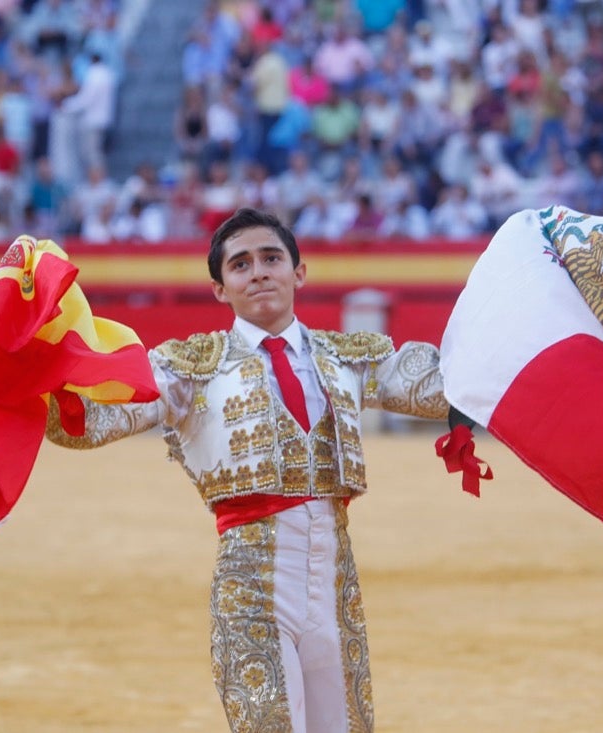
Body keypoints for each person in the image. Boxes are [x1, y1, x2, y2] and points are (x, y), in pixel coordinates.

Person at [43, 207, 450, 731]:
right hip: (252, 586)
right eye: (240, 265)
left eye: (271, 258)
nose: (257, 271)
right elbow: (94, 421)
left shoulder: (348, 358)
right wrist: (39, 379)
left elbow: (443, 384)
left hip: (335, 579)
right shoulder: (192, 367)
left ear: (297, 273)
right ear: (220, 289)